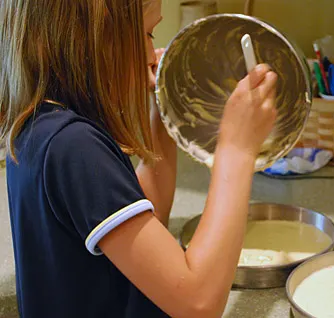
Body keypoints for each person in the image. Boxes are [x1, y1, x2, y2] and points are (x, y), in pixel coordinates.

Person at [0, 0, 277, 317]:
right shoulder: (73, 146)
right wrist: (237, 148)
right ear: (89, 38)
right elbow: (199, 301)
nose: (150, 55)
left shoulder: (45, 129)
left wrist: (163, 116)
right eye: (146, 34)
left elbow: (146, 228)